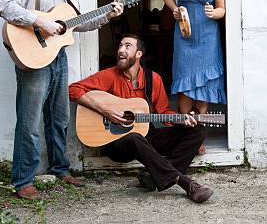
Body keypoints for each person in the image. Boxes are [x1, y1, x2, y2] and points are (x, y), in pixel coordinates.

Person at [0, 0, 124, 200]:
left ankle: (60, 168)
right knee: (30, 122)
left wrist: (108, 15)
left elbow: (75, 24)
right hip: (33, 59)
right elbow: (3, 5)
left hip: (57, 58)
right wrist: (40, 23)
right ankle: (23, 181)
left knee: (59, 118)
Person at [69, 34, 214, 203]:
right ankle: (185, 182)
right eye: (120, 46)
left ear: (138, 54)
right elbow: (74, 89)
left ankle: (154, 178)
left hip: (146, 135)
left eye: (127, 46)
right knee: (133, 137)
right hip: (116, 143)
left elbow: (163, 113)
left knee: (197, 131)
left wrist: (181, 119)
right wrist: (105, 110)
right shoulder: (109, 76)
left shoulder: (154, 79)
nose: (121, 50)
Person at [162, 0, 227, 141]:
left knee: (204, 88)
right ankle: (185, 135)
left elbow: (222, 9)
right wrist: (174, 9)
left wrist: (213, 13)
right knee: (185, 87)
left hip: (208, 40)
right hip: (184, 38)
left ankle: (197, 137)